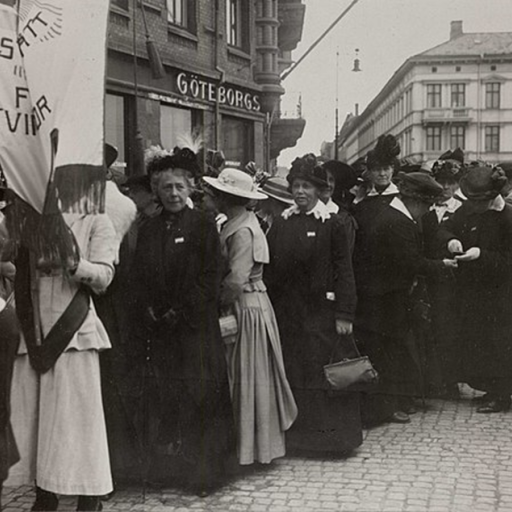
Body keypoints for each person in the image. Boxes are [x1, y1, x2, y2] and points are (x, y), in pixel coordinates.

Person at [132, 148, 234, 495]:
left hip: (195, 330)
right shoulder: (149, 228)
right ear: (157, 192)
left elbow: (212, 276)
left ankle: (206, 474)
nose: (173, 194)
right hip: (162, 331)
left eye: (179, 187)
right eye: (166, 188)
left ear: (190, 188)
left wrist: (181, 309)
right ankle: (171, 469)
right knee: (169, 398)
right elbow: (139, 275)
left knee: (200, 397)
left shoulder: (204, 225)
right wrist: (148, 307)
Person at [7, 207, 118, 511]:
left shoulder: (96, 219)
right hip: (31, 329)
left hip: (73, 331)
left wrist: (72, 263)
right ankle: (45, 492)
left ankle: (89, 495)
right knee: (37, 417)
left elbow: (105, 277)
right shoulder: (25, 216)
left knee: (78, 419)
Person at [265, 154, 362, 455]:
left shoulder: (332, 224)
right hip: (289, 314)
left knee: (323, 374)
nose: (299, 192)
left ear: (319, 190)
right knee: (295, 372)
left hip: (322, 314)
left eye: (306, 186)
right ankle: (299, 439)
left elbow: (344, 270)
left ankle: (332, 442)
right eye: (295, 185)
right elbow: (272, 271)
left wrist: (345, 314)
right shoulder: (283, 223)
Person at [203, 169, 297, 466]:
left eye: (215, 194)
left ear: (225, 197)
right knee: (250, 375)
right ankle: (253, 447)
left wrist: (216, 305)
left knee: (246, 374)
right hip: (252, 304)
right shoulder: (241, 222)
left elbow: (236, 279)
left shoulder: (242, 229)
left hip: (246, 306)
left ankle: (249, 449)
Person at [355, 172, 453, 425]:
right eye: (427, 205)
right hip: (384, 299)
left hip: (383, 296)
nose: (427, 211)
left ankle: (389, 404)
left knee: (389, 351)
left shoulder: (393, 215)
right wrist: (443, 264)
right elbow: (411, 263)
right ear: (415, 201)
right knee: (386, 352)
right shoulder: (398, 222)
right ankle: (384, 408)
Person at [440, 165, 512, 413]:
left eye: (477, 202)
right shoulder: (469, 209)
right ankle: (491, 389)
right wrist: (451, 239)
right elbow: (447, 227)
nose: (473, 206)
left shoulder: (508, 218)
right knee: (481, 341)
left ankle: (503, 395)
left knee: (500, 342)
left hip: (501, 294)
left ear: (491, 198)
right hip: (473, 293)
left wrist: (481, 254)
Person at [421, 155, 465, 397]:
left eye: (450, 183)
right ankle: (429, 380)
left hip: (452, 279)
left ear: (457, 184)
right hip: (427, 272)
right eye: (441, 182)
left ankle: (450, 380)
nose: (445, 188)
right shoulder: (425, 206)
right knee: (427, 327)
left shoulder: (462, 208)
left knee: (449, 328)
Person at [352, 135, 400, 293]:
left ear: (392, 170)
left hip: (394, 270)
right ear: (370, 172)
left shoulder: (401, 198)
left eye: (386, 169)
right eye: (377, 169)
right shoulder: (362, 201)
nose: (382, 174)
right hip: (367, 272)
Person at [321, 160, 359, 253]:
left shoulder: (344, 218)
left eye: (331, 180)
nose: (328, 184)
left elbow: (344, 256)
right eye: (323, 179)